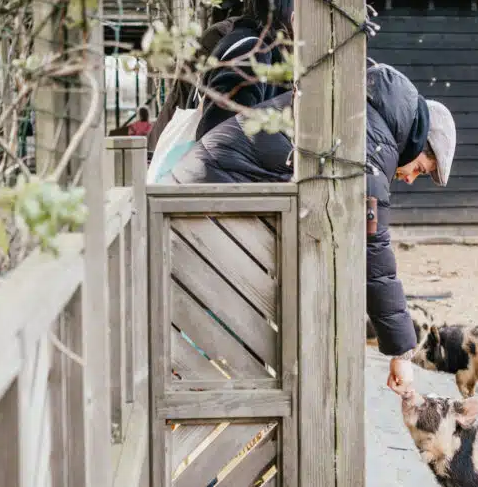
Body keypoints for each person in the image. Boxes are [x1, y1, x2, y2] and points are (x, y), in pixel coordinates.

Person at [168, 60, 457, 391]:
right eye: (419, 168)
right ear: (419, 142)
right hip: (208, 196)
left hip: (204, 185)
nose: (409, 178)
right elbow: (373, 249)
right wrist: (402, 353)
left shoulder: (365, 113)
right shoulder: (372, 144)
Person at [147, 0, 293, 151]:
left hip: (178, 150)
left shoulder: (246, 42)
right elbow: (220, 141)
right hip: (196, 160)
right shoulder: (248, 49)